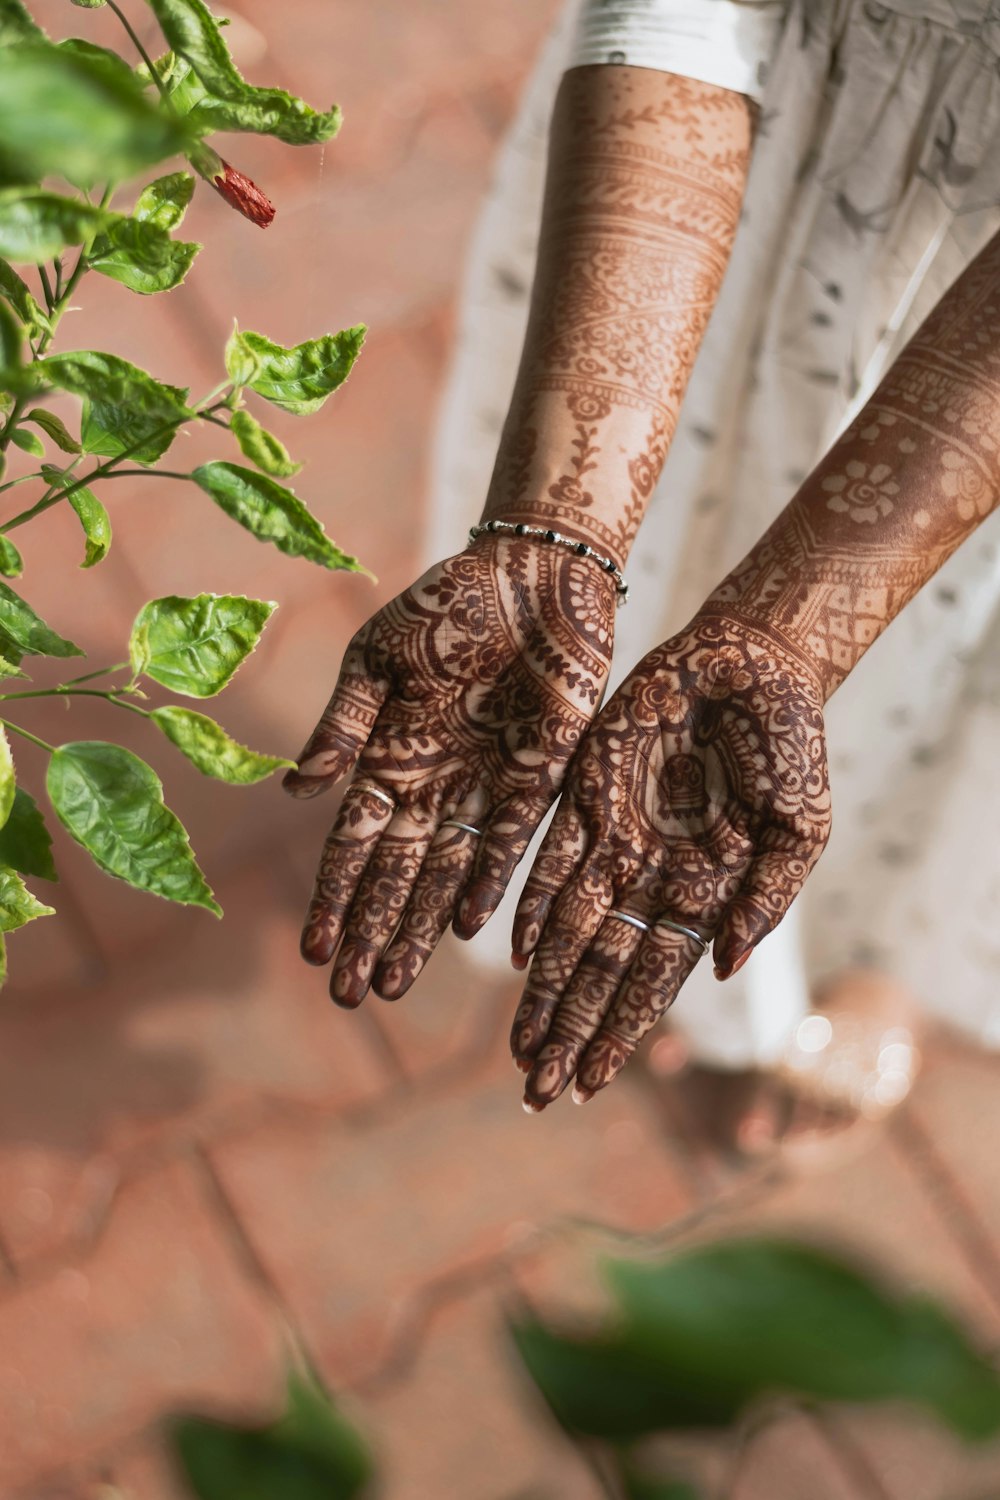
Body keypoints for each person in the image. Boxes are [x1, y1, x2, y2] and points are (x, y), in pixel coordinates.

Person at [284, 0, 1000, 1136]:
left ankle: (880, 961)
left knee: (943, 648)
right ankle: (766, 977)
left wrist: (787, 635)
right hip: (696, 180)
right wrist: (554, 527)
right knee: (692, 583)